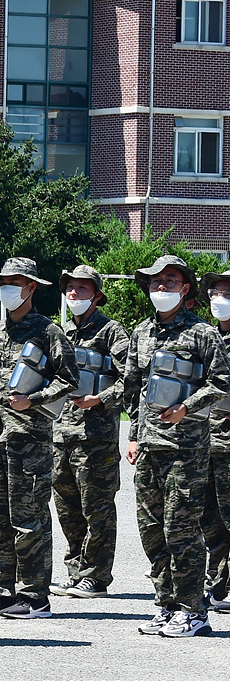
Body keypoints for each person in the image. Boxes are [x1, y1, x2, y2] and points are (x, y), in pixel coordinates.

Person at [126, 255, 230, 638]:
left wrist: (187, 407)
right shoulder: (141, 333)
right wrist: (134, 435)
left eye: (170, 281)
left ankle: (193, 610)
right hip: (150, 447)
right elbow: (133, 388)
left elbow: (221, 383)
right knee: (152, 530)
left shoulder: (203, 333)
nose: (161, 288)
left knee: (181, 529)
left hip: (186, 448)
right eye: (155, 282)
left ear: (185, 289)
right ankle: (167, 605)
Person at [0, 258, 78, 620]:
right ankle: (5, 592)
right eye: (3, 282)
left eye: (15, 282)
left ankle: (35, 597)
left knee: (29, 518)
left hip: (29, 440)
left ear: (31, 287)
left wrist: (33, 400)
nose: (7, 289)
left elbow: (69, 380)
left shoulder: (49, 332)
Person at [50, 265, 128, 599]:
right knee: (66, 506)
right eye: (70, 288)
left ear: (96, 295)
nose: (74, 294)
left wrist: (101, 398)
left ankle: (96, 576)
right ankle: (75, 569)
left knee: (97, 508)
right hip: (60, 436)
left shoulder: (112, 333)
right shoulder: (61, 332)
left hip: (96, 438)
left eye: (82, 289)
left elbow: (133, 379)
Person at [201, 268, 230, 613]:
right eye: (216, 293)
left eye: (227, 293)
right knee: (209, 518)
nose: (219, 299)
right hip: (204, 441)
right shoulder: (208, 339)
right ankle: (218, 583)